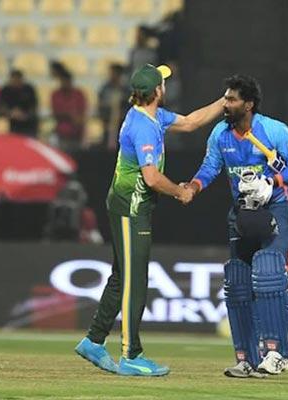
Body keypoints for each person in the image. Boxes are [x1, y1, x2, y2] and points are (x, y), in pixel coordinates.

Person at [74, 64, 223, 377]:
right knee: (135, 280)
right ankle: (131, 354)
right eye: (163, 83)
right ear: (157, 91)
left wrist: (224, 101)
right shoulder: (143, 126)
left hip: (129, 205)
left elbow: (192, 122)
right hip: (131, 207)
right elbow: (152, 178)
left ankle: (94, 340)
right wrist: (180, 192)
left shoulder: (154, 116)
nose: (165, 86)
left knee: (121, 276)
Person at [185, 75, 288, 378]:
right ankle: (247, 359)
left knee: (268, 272)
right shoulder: (220, 134)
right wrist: (194, 186)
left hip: (275, 210)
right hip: (242, 213)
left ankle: (276, 354)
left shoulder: (273, 130)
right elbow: (211, 166)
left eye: (231, 99)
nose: (225, 104)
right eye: (225, 98)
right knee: (238, 281)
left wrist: (272, 181)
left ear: (248, 104)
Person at [51, 66, 87, 152]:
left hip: (77, 132)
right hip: (62, 132)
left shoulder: (78, 94)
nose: (65, 83)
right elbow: (56, 113)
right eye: (63, 81)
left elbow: (82, 112)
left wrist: (75, 118)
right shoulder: (56, 95)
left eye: (67, 81)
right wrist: (69, 115)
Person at [0, 70, 38, 137]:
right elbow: (1, 106)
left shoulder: (29, 90)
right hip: (11, 124)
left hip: (28, 125)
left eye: (18, 80)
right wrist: (10, 113)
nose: (16, 82)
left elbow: (34, 106)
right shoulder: (5, 90)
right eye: (14, 80)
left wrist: (25, 115)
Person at [98, 63, 127, 151]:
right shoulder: (105, 89)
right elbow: (101, 105)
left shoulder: (125, 90)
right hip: (108, 124)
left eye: (113, 73)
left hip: (121, 126)